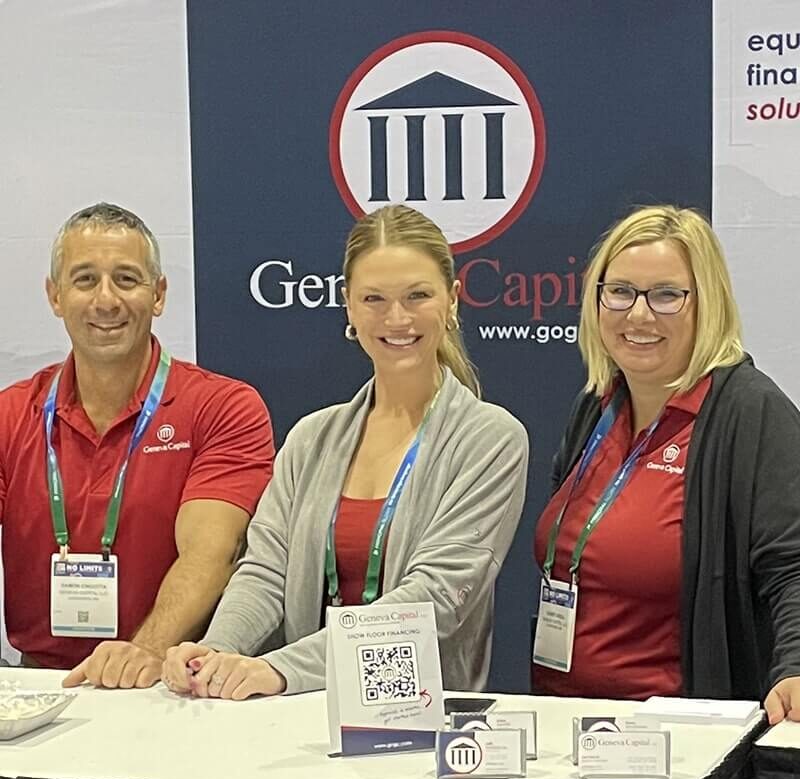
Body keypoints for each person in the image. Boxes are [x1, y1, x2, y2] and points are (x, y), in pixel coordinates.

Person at [162, 204, 529, 700]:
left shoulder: (490, 439)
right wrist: (217, 652)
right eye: (374, 298)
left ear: (453, 300)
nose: (396, 318)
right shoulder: (311, 438)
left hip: (421, 728)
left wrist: (282, 670)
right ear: (349, 308)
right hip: (297, 719)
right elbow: (266, 571)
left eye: (417, 295)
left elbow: (435, 603)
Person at [532, 205, 800, 724]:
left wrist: (796, 665)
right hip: (564, 732)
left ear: (708, 304)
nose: (638, 315)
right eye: (621, 291)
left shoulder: (749, 414)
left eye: (666, 295)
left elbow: (793, 565)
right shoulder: (597, 408)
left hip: (680, 743)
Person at [0, 202, 274, 689]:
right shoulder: (10, 414)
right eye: (85, 280)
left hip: (176, 681)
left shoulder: (223, 407)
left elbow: (210, 553)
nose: (106, 300)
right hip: (39, 685)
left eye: (126, 279)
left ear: (159, 294)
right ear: (55, 296)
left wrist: (145, 651)